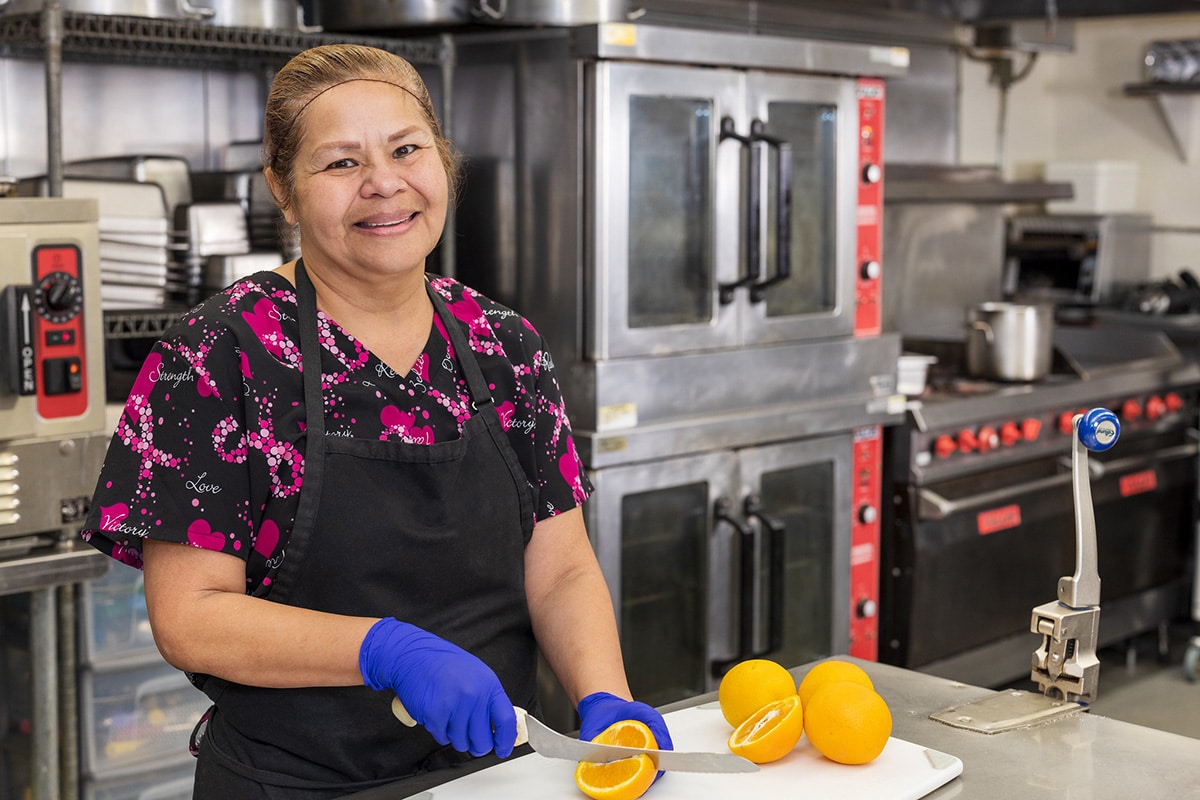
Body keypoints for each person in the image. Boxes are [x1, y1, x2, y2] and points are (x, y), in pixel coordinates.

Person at [80, 43, 672, 798]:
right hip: (292, 785)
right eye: (340, 164)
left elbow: (559, 569)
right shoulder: (220, 353)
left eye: (406, 149)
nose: (385, 184)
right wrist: (383, 650)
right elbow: (189, 618)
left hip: (490, 778)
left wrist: (602, 699)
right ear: (284, 194)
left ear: (444, 162)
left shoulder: (504, 346)